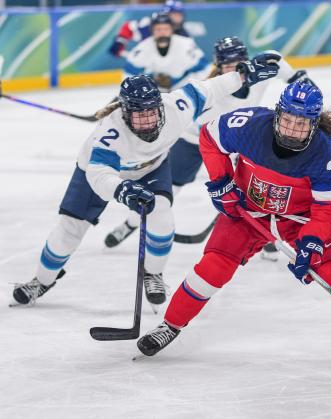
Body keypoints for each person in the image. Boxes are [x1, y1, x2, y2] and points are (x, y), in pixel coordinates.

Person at [135, 81, 331, 368]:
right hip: (246, 211)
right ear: (277, 115)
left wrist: (313, 240)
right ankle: (170, 326)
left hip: (300, 220)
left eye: (301, 124)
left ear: (314, 124)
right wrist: (221, 182)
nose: (292, 130)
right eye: (287, 120)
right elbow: (210, 138)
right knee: (214, 266)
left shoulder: (328, 156)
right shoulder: (248, 126)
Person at [11, 57, 281, 307]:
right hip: (99, 174)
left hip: (152, 168)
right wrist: (120, 189)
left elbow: (211, 87)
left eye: (151, 113)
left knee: (162, 216)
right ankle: (42, 281)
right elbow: (98, 174)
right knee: (70, 229)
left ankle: (153, 274)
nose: (147, 121)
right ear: (125, 112)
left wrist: (243, 76)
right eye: (139, 115)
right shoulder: (111, 132)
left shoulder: (177, 106)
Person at [104, 36, 315, 262]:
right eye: (227, 64)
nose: (232, 68)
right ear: (218, 65)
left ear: (245, 61)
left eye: (237, 62)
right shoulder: (211, 92)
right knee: (165, 192)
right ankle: (130, 224)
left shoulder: (257, 75)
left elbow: (276, 58)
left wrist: (297, 77)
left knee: (258, 189)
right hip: (194, 140)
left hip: (235, 142)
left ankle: (267, 238)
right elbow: (176, 108)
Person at [123, 12, 208, 92]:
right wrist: (149, 83)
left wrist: (180, 83)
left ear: (172, 30)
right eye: (158, 29)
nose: (162, 33)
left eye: (166, 29)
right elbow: (129, 72)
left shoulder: (187, 44)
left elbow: (203, 68)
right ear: (152, 30)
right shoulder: (143, 47)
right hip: (153, 94)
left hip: (183, 91)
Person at [108, 0, 189, 58]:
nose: (177, 19)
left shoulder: (184, 35)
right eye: (174, 14)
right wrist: (120, 41)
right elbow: (128, 27)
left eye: (180, 15)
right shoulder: (148, 24)